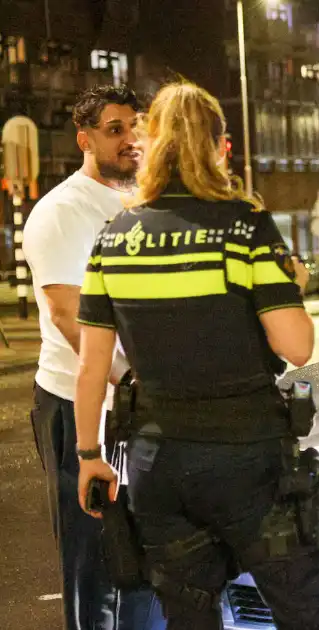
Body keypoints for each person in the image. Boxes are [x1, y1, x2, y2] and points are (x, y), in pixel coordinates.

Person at [72, 80, 319, 629]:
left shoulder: (113, 238)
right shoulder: (243, 228)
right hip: (247, 462)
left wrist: (88, 456)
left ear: (151, 145)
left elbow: (91, 366)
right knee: (308, 608)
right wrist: (290, 283)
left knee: (188, 615)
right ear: (220, 148)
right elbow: (296, 346)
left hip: (157, 467)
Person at [23, 84, 158, 630]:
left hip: (144, 402)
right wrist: (132, 382)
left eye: (136, 127)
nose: (130, 139)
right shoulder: (63, 211)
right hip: (83, 406)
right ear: (84, 139)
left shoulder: (148, 201)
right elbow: (66, 314)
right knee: (97, 562)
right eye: (114, 129)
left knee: (148, 557)